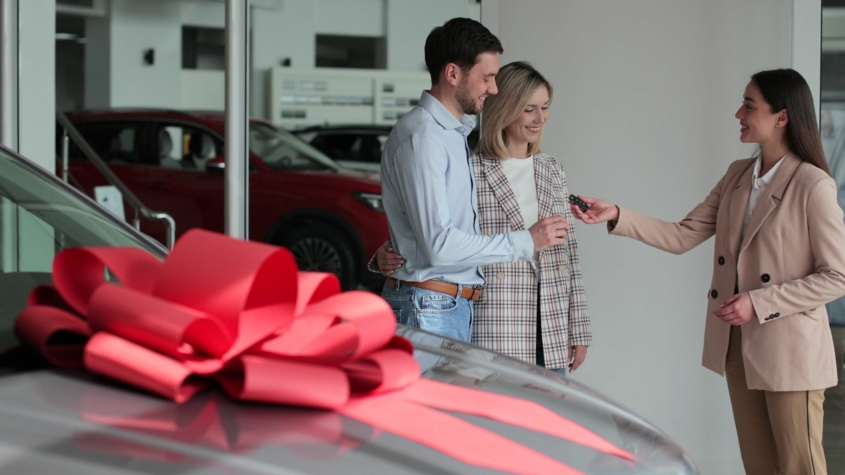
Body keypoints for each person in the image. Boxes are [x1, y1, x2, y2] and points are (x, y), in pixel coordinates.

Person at [570, 68, 845, 475]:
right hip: (739, 348)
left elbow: (836, 276)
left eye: (749, 105)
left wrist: (759, 301)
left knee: (799, 468)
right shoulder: (737, 175)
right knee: (760, 467)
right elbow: (683, 234)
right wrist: (618, 214)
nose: (738, 112)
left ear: (781, 117)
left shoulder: (813, 184)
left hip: (791, 353)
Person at [377, 62, 590, 373]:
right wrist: (385, 255)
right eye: (530, 109)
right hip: (498, 325)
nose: (540, 118)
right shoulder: (471, 167)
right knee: (497, 420)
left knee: (548, 420)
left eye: (545, 108)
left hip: (553, 326)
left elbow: (568, 254)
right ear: (505, 108)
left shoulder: (552, 169)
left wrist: (579, 327)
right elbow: (438, 232)